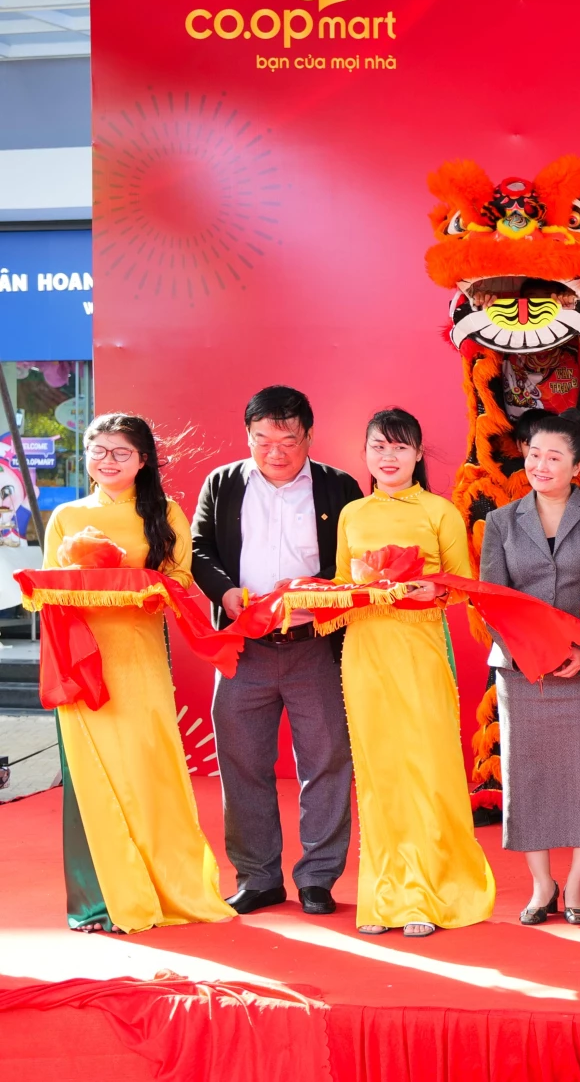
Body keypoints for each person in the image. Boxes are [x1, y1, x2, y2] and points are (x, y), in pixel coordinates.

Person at [43, 414, 234, 933]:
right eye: (98, 450)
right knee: (90, 776)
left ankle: (161, 887)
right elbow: (46, 589)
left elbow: (179, 578)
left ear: (143, 459)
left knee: (149, 770)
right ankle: (97, 902)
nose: (107, 461)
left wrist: (145, 590)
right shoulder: (66, 515)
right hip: (83, 659)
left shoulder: (164, 512)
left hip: (140, 657)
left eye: (120, 452)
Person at [190, 386, 362, 917]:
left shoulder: (339, 486)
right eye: (262, 439)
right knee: (242, 763)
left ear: (309, 436)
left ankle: (318, 878)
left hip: (316, 646)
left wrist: (322, 596)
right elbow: (199, 549)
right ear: (248, 436)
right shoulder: (223, 483)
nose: (275, 452)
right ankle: (258, 877)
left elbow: (354, 561)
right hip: (243, 646)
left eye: (287, 440)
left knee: (327, 762)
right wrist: (225, 593)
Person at [336, 408, 496, 937]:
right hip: (365, 652)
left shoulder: (439, 511)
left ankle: (430, 892)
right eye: (379, 446)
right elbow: (341, 583)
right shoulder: (352, 514)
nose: (389, 457)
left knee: (427, 767)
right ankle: (385, 897)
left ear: (419, 454)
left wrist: (436, 589)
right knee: (379, 772)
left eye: (401, 447)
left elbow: (463, 586)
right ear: (365, 452)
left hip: (421, 650)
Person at [479, 416, 580, 927]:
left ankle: (578, 883)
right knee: (529, 776)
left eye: (554, 457)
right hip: (523, 672)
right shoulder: (501, 521)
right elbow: (492, 601)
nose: (541, 465)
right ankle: (543, 885)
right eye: (534, 454)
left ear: (578, 466)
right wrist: (532, 653)